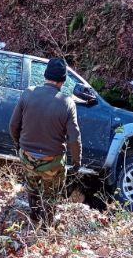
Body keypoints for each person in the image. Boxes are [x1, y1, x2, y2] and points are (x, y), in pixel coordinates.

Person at [9, 57, 82, 225]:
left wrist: (18, 144)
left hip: (27, 157)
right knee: (52, 193)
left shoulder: (28, 93)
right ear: (63, 82)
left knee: (32, 187)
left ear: (45, 76)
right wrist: (77, 162)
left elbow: (13, 124)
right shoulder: (67, 103)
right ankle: (48, 226)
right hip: (52, 162)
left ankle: (34, 219)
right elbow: (74, 138)